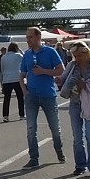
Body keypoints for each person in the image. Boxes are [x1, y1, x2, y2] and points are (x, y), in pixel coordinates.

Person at [59, 41, 90, 178]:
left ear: (86, 53)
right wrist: (58, 80)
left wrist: (86, 85)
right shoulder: (72, 65)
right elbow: (63, 77)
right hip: (75, 103)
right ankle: (80, 166)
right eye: (75, 56)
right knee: (77, 137)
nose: (77, 58)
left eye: (79, 55)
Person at [20, 26, 65, 169]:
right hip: (31, 96)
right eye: (27, 37)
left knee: (54, 128)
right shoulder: (27, 54)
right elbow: (22, 75)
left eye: (30, 37)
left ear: (38, 37)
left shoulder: (50, 52)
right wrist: (24, 91)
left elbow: (61, 70)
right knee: (31, 128)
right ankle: (34, 158)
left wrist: (43, 71)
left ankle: (59, 151)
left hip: (48, 95)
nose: (28, 40)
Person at [0, 41, 24, 122]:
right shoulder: (18, 55)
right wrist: (20, 50)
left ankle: (5, 116)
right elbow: (25, 57)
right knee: (20, 97)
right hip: (17, 78)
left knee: (7, 99)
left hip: (6, 79)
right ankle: (21, 114)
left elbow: (2, 69)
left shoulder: (3, 57)